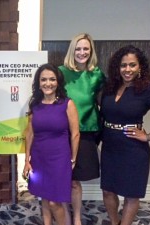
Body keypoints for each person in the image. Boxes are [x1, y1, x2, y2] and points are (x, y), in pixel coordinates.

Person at [100, 45, 150, 225]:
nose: (127, 70)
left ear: (140, 67)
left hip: (134, 150)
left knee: (131, 194)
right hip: (110, 147)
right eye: (123, 65)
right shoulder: (110, 87)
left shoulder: (147, 90)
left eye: (132, 65)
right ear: (117, 67)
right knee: (108, 190)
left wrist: (149, 136)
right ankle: (115, 222)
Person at [22, 63, 80, 225]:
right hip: (39, 158)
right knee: (45, 198)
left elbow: (75, 134)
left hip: (59, 159)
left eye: (52, 79)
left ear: (58, 82)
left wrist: (73, 158)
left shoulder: (67, 104)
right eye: (44, 79)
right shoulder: (35, 105)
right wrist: (27, 160)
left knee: (55, 202)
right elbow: (30, 133)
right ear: (38, 83)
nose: (48, 83)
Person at [58, 33, 106, 225]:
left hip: (85, 133)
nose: (82, 52)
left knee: (76, 180)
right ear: (72, 50)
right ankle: (66, 217)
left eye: (86, 48)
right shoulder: (60, 72)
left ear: (91, 51)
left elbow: (108, 101)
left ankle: (76, 217)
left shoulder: (97, 75)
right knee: (63, 179)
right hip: (61, 132)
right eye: (78, 48)